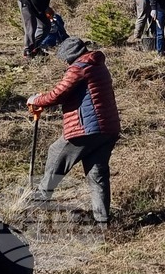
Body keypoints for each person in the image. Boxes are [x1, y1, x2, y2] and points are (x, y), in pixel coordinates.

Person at [27, 36, 120, 227]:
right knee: (97, 174)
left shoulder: (80, 67)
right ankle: (102, 221)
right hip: (108, 128)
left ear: (71, 55)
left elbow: (58, 93)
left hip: (86, 128)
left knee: (56, 152)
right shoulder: (97, 65)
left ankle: (39, 201)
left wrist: (36, 100)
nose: (65, 62)